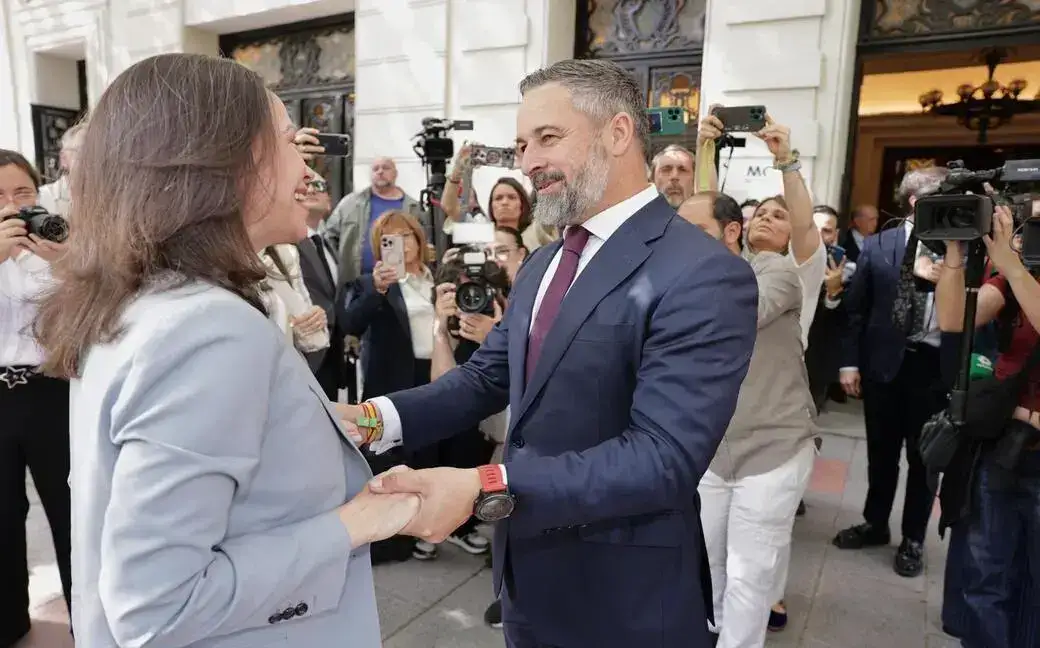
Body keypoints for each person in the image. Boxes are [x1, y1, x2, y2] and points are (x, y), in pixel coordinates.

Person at [339, 58, 759, 648]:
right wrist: (370, 419)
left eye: (548, 138)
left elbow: (662, 457)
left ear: (617, 133)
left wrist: (484, 485)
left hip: (624, 599)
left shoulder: (703, 273)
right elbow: (486, 377)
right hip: (528, 581)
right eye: (520, 144)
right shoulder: (544, 263)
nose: (528, 161)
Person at [33, 53, 421, 648]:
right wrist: (360, 522)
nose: (309, 167)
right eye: (290, 140)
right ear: (228, 165)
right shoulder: (206, 328)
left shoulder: (151, 299)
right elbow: (157, 608)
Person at [0, 149, 72, 646]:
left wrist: (69, 264)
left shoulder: (61, 240)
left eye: (22, 192)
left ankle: (92, 620)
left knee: (72, 512)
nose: (12, 205)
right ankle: (8, 623)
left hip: (53, 389)